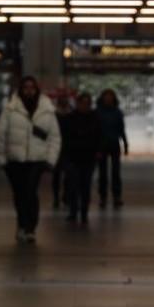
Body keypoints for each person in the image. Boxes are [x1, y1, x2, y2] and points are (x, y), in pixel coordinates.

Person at [0, 76, 62, 244]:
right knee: (19, 193)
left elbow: (55, 137)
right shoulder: (10, 110)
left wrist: (51, 160)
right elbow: (1, 134)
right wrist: (1, 158)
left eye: (32, 87)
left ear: (36, 90)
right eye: (26, 87)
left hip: (37, 159)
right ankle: (22, 224)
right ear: (20, 90)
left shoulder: (47, 111)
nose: (29, 90)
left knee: (30, 191)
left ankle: (30, 227)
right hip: (14, 160)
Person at [60, 93, 103, 224]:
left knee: (85, 186)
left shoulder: (95, 118)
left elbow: (100, 136)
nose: (85, 105)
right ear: (77, 104)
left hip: (89, 158)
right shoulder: (70, 119)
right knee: (73, 185)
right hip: (73, 157)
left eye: (87, 103)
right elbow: (63, 137)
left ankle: (84, 212)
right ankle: (73, 211)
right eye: (82, 103)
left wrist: (99, 151)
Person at [94, 89, 129, 208]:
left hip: (114, 143)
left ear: (113, 99)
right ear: (102, 98)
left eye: (110, 97)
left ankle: (116, 196)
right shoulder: (97, 112)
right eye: (106, 97)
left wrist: (125, 143)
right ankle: (103, 197)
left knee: (116, 172)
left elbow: (121, 128)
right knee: (102, 173)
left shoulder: (117, 112)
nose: (108, 99)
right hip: (101, 145)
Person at [50, 95, 73, 210]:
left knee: (68, 174)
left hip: (68, 148)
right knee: (56, 175)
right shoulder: (54, 115)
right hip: (57, 148)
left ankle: (66, 196)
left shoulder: (71, 115)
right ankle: (56, 197)